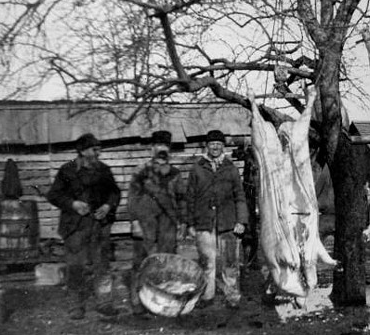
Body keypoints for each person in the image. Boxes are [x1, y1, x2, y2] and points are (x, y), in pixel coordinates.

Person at [47, 133, 122, 320]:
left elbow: (114, 192)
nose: (98, 153)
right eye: (94, 150)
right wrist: (73, 204)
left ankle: (104, 303)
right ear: (81, 151)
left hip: (99, 226)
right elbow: (54, 195)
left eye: (99, 149)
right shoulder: (67, 171)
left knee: (102, 266)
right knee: (75, 267)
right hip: (75, 227)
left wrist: (107, 206)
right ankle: (76, 305)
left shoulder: (104, 171)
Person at [186, 129, 249, 309]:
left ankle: (232, 297)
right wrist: (190, 223)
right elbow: (190, 198)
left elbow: (240, 196)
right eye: (212, 143)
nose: (215, 147)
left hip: (228, 223)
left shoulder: (230, 169)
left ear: (223, 146)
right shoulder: (197, 168)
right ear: (207, 146)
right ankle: (207, 296)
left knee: (230, 262)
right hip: (204, 223)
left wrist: (241, 221)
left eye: (218, 144)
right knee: (207, 262)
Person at [127, 130, 187, 315]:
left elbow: (182, 198)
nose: (162, 150)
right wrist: (134, 221)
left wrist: (182, 222)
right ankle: (138, 300)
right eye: (159, 146)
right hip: (145, 224)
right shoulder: (141, 171)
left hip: (167, 225)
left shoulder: (175, 173)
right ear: (152, 148)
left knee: (166, 262)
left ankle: (161, 300)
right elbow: (132, 198)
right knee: (141, 261)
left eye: (166, 147)